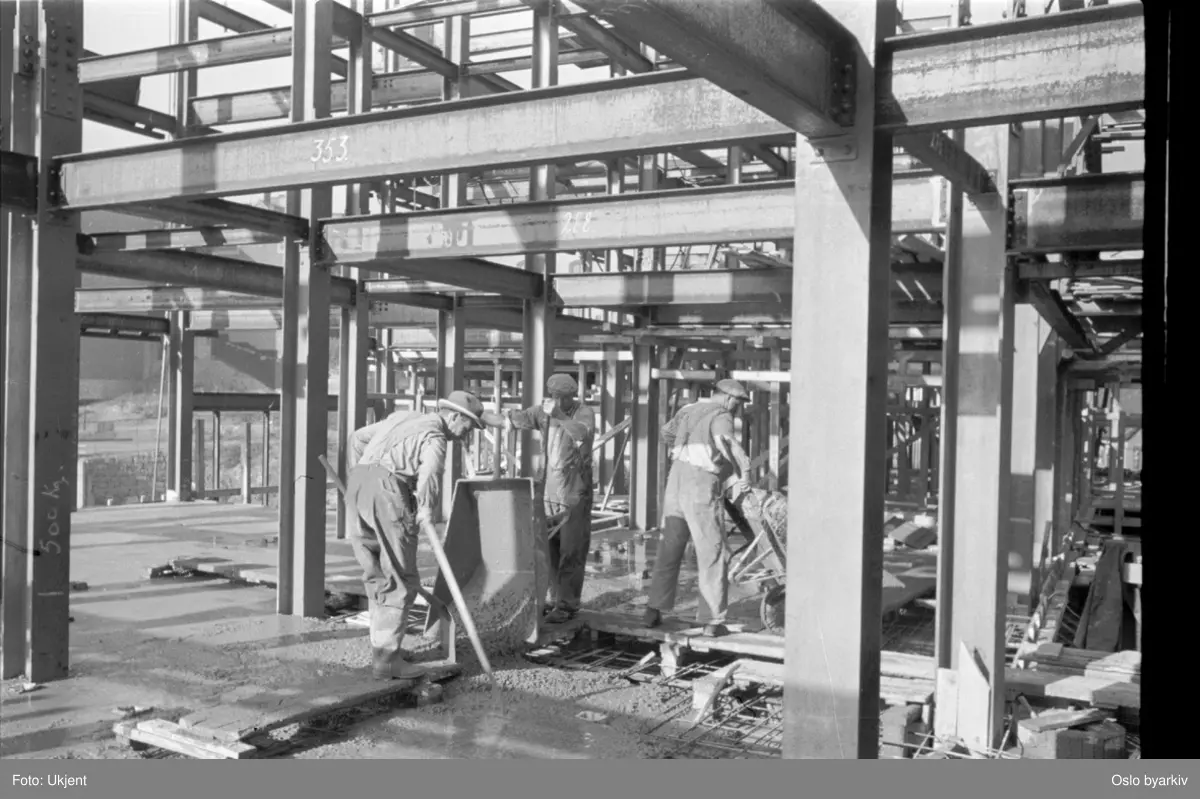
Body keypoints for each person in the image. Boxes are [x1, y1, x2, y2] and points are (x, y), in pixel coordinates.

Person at [345, 390, 497, 681]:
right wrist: (426, 509)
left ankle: (384, 652)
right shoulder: (436, 436)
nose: (466, 434)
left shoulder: (402, 417)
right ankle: (388, 660)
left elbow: (357, 438)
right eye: (467, 427)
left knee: (377, 574)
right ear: (454, 416)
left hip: (358, 486)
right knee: (401, 577)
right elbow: (431, 474)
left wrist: (360, 474)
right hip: (388, 491)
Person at [644, 379, 752, 637]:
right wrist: (745, 472)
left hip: (676, 482)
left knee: (669, 548)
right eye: (739, 403)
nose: (739, 408)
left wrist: (688, 447)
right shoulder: (721, 415)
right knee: (713, 552)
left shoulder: (688, 409)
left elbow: (666, 434)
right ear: (728, 398)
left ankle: (653, 610)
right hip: (701, 485)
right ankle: (712, 622)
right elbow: (727, 443)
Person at [504, 373, 596, 624]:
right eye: (552, 395)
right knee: (550, 547)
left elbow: (581, 434)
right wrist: (478, 415)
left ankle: (568, 605)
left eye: (560, 397)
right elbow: (514, 420)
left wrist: (559, 415)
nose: (554, 400)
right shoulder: (542, 411)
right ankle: (556, 600)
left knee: (572, 549)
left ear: (571, 396)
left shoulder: (583, 412)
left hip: (575, 490)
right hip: (549, 489)